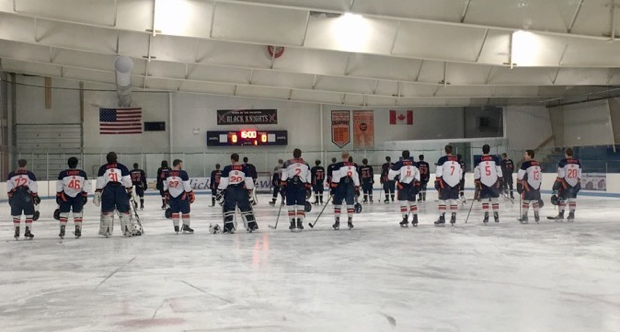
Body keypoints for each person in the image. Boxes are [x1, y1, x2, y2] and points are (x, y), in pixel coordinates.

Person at [94, 152, 135, 237]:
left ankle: (107, 231)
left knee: (107, 212)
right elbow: (127, 181)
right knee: (124, 211)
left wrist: (98, 193)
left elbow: (100, 183)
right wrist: (130, 191)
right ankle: (127, 231)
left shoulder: (103, 168)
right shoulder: (122, 167)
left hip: (108, 190)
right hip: (120, 190)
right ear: (116, 158)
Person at [217, 153, 258, 233]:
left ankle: (230, 227)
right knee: (246, 208)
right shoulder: (244, 168)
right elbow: (249, 180)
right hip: (241, 190)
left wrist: (220, 190)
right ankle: (250, 226)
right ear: (238, 159)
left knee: (229, 209)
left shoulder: (227, 168)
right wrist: (250, 189)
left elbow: (224, 182)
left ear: (232, 159)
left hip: (230, 191)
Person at [56, 157, 90, 239]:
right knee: (77, 213)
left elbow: (59, 186)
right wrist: (85, 196)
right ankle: (77, 229)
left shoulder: (63, 173)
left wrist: (58, 195)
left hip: (65, 196)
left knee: (64, 213)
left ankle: (62, 229)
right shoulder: (82, 173)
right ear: (76, 164)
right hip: (78, 196)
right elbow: (85, 186)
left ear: (68, 163)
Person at [7, 159, 39, 240]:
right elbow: (33, 187)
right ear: (25, 165)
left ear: (18, 164)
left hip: (16, 196)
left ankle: (16, 232)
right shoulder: (30, 174)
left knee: (16, 215)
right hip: (26, 195)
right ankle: (27, 231)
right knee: (29, 214)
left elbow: (9, 188)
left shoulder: (11, 174)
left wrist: (10, 196)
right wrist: (35, 195)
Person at [280, 149, 311, 231]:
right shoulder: (306, 164)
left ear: (293, 154)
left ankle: (292, 223)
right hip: (301, 185)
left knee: (291, 204)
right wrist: (308, 187)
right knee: (301, 204)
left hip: (290, 185)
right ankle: (300, 222)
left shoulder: (287, 163)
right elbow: (309, 176)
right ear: (300, 155)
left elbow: (284, 175)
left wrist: (282, 186)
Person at [389, 150, 420, 227]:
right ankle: (415, 218)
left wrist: (394, 178)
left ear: (402, 156)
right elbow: (417, 175)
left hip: (402, 185)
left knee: (403, 203)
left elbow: (391, 174)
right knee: (412, 203)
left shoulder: (399, 164)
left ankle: (405, 218)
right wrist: (416, 183)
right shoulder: (414, 164)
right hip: (411, 184)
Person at [330, 152, 360, 230]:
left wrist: (333, 189)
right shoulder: (353, 165)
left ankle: (337, 222)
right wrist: (357, 188)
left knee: (337, 204)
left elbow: (335, 178)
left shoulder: (338, 165)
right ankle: (350, 221)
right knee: (350, 204)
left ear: (342, 157)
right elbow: (356, 177)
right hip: (350, 186)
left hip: (341, 186)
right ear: (348, 157)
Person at [549, 148, 581, 221]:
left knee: (561, 199)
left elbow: (561, 175)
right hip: (575, 184)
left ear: (565, 154)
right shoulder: (577, 162)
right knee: (572, 199)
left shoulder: (563, 162)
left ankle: (561, 214)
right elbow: (579, 175)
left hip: (565, 184)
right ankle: (572, 215)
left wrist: (555, 189)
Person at [473, 145, 503, 224]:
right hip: (494, 181)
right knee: (494, 199)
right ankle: (496, 215)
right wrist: (500, 179)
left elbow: (477, 171)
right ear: (489, 150)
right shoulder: (495, 158)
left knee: (485, 199)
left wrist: (477, 180)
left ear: (482, 150)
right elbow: (498, 169)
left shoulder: (478, 159)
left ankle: (486, 216)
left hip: (483, 182)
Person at [164, 159, 195, 234]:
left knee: (174, 211)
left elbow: (165, 186)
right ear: (178, 164)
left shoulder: (167, 173)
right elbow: (187, 186)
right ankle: (186, 226)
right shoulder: (183, 173)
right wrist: (190, 194)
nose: (182, 165)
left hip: (172, 195)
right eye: (181, 164)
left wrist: (166, 195)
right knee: (185, 211)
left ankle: (176, 227)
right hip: (182, 195)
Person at [434, 145, 462, 226]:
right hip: (455, 182)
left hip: (445, 182)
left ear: (445, 150)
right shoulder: (457, 160)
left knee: (442, 199)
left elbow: (439, 172)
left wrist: (438, 181)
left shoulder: (442, 159)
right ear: (451, 150)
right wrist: (457, 179)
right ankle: (453, 216)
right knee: (453, 199)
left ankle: (442, 217)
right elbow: (460, 172)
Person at [517, 149, 542, 223]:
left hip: (528, 184)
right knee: (535, 200)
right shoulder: (538, 164)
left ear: (530, 155)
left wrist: (519, 184)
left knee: (526, 201)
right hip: (537, 184)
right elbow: (540, 176)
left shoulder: (526, 164)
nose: (524, 156)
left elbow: (520, 176)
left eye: (526, 154)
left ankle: (525, 216)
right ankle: (536, 215)